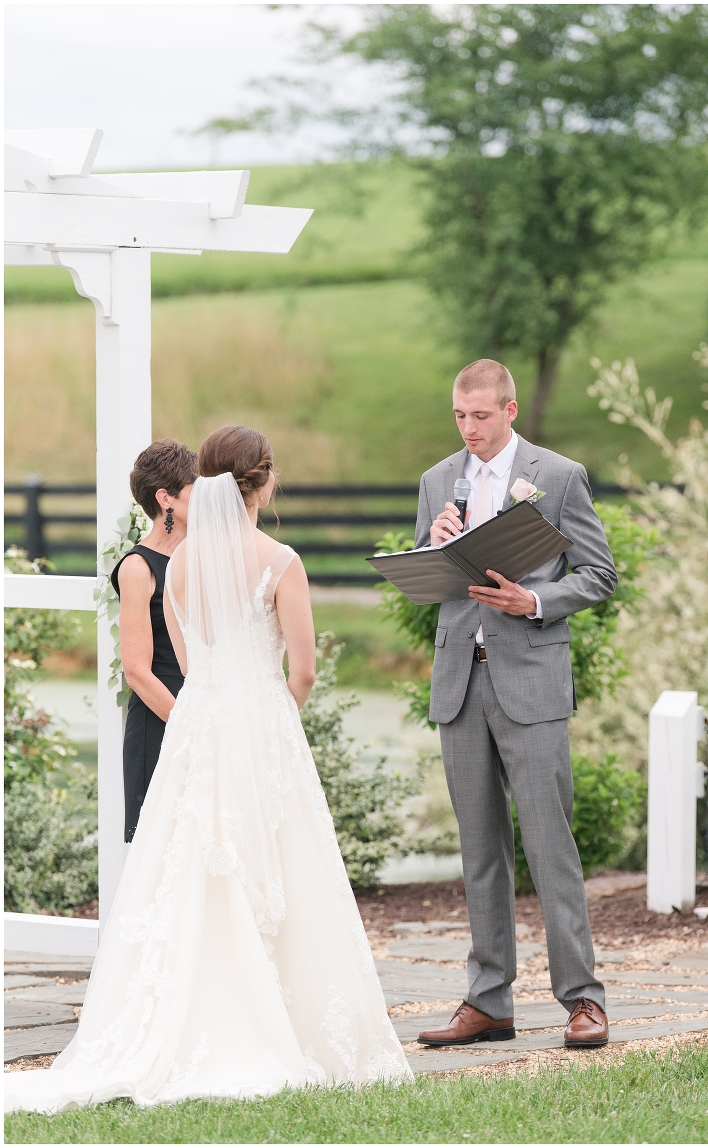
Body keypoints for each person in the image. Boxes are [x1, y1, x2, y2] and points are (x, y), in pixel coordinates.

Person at [6, 425, 410, 1114]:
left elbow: (191, 666)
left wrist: (222, 709)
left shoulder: (181, 564)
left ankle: (184, 1018)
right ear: (265, 479)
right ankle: (289, 1023)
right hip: (261, 724)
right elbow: (303, 671)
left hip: (201, 724)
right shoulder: (281, 561)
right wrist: (269, 719)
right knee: (280, 865)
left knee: (189, 870)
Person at [414, 360, 617, 1051]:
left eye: (479, 416)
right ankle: (488, 1002)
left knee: (549, 844)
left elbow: (598, 574)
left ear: (509, 410)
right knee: (479, 851)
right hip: (460, 683)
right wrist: (433, 546)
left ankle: (583, 1001)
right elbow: (427, 584)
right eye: (458, 417)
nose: (468, 429)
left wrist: (534, 600)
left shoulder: (557, 477)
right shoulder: (438, 481)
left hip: (530, 681)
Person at [111, 439, 198, 843]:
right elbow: (136, 671)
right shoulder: (137, 567)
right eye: (195, 488)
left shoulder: (200, 556)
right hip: (163, 720)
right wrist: (192, 726)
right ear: (166, 499)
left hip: (205, 707)